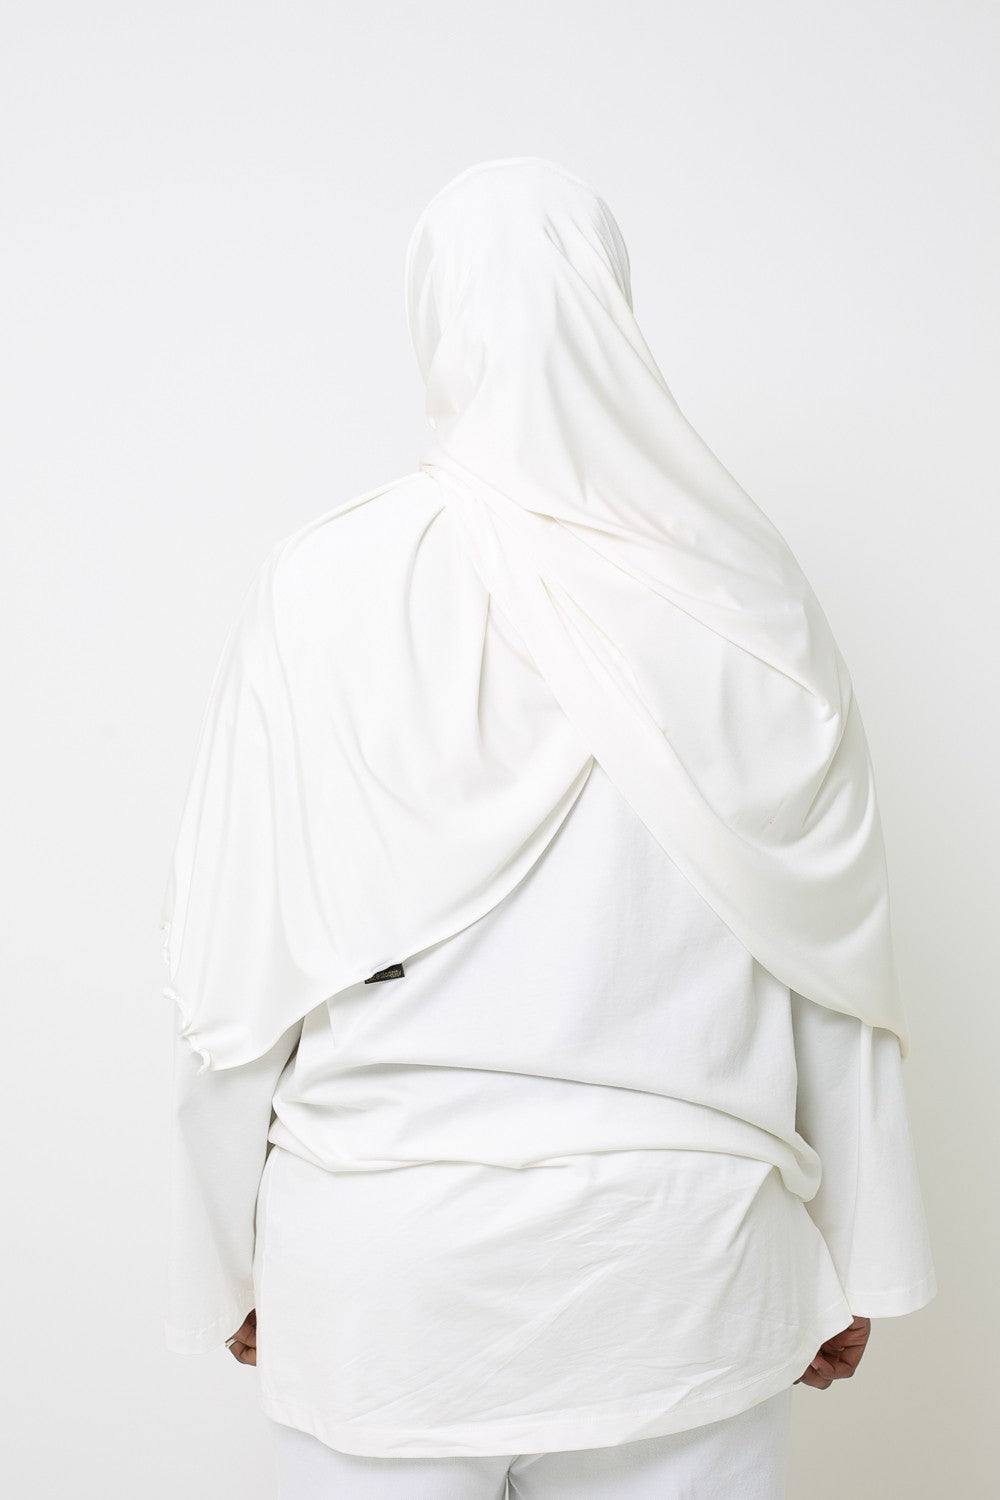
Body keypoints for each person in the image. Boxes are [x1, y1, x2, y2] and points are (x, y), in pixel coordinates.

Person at [160, 157, 937, 1499]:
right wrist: (863, 1249)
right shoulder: (746, 600)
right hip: (688, 1267)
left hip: (384, 1270)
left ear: (434, 317)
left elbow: (236, 959)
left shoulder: (324, 584)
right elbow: (828, 948)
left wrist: (224, 1255)